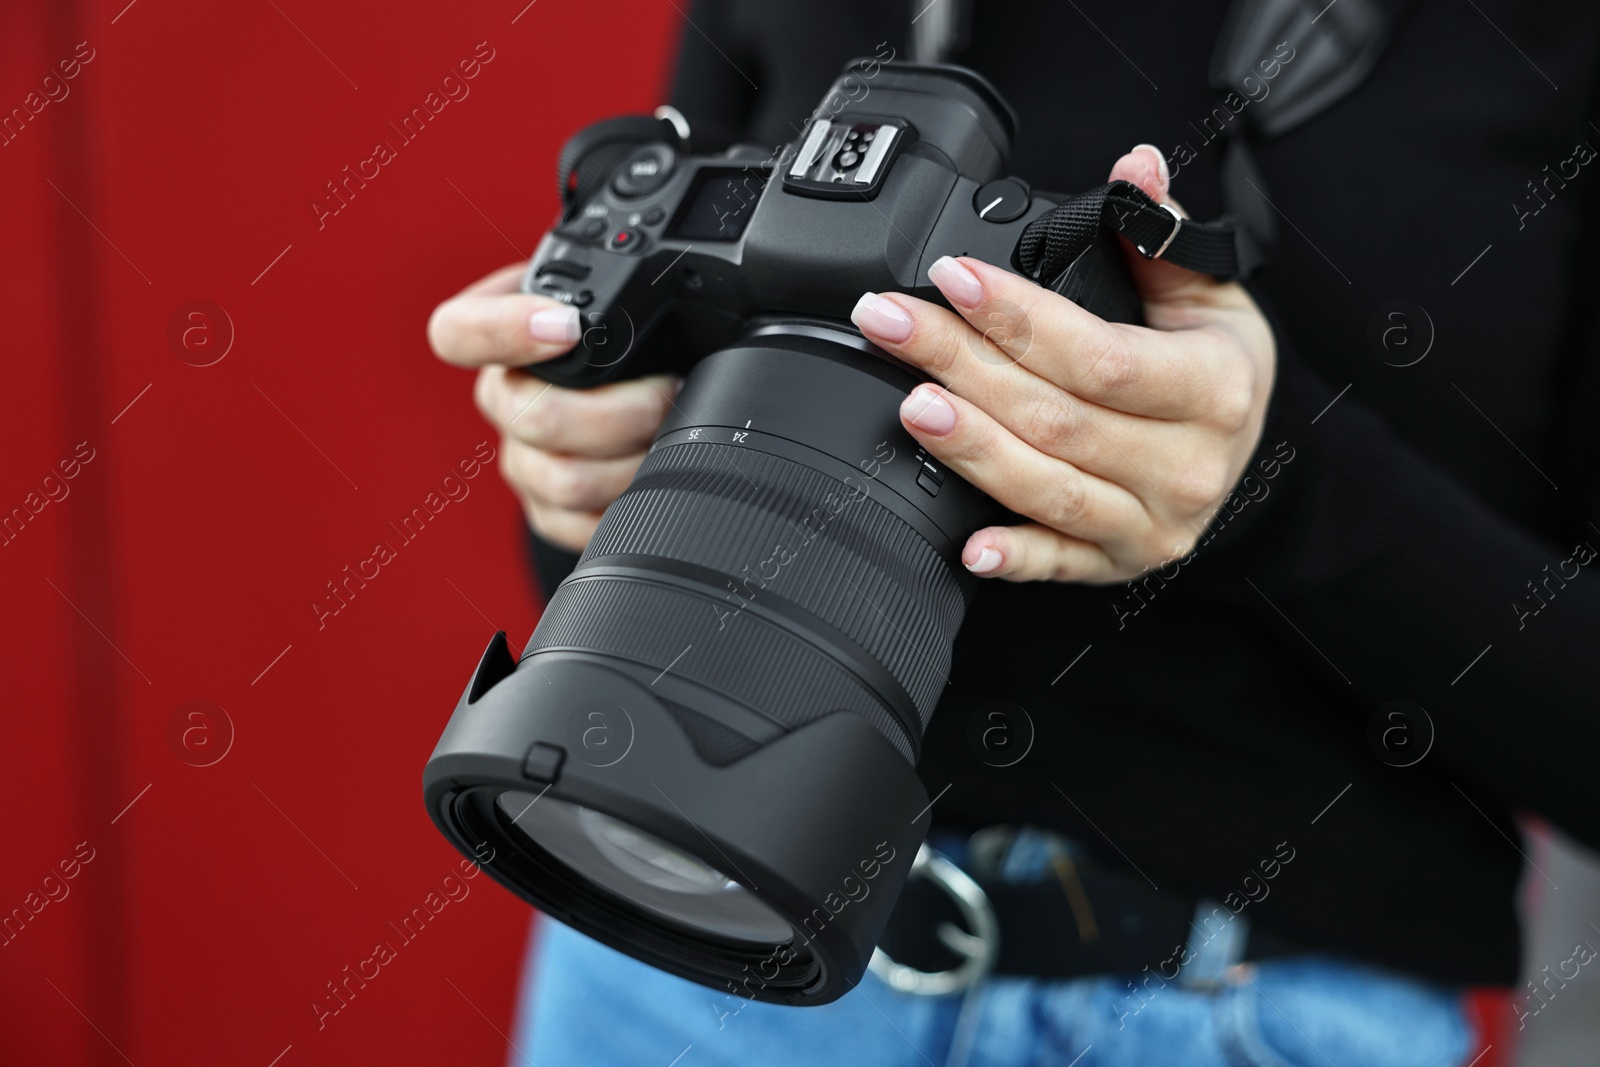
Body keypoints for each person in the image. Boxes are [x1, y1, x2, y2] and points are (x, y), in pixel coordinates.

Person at [426, 1, 1600, 1063]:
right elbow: (636, 466)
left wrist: (1267, 479)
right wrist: (576, 445)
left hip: (1246, 1012)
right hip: (665, 921)